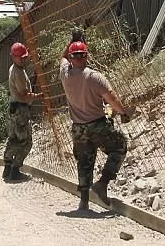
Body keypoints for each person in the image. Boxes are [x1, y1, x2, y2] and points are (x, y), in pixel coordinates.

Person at [59, 36, 133, 210]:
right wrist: (123, 112)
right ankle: (102, 183)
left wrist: (71, 40)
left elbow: (61, 58)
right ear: (86, 56)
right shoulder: (95, 77)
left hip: (78, 127)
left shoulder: (65, 74)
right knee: (119, 146)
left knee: (84, 161)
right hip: (97, 124)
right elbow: (111, 98)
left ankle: (84, 201)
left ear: (71, 58)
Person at [2, 42, 43, 181]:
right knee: (26, 142)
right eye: (21, 58)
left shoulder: (14, 68)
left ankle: (7, 167)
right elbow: (24, 94)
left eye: (25, 57)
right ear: (13, 57)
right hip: (21, 110)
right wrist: (38, 96)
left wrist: (28, 52)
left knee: (13, 139)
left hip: (13, 108)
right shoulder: (18, 73)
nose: (23, 60)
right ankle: (15, 169)